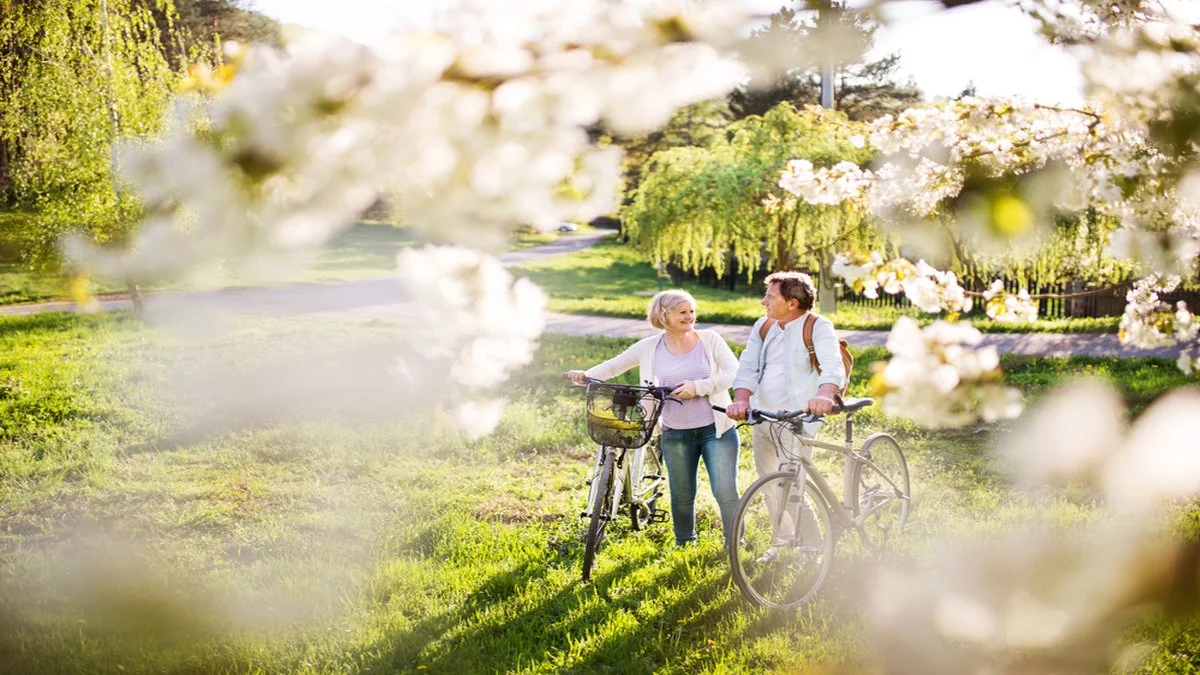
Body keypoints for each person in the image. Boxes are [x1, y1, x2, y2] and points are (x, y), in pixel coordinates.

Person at [566, 289, 740, 546]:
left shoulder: (710, 340)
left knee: (725, 491)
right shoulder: (650, 347)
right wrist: (587, 375)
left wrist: (698, 387)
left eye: (692, 311)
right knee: (682, 494)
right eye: (683, 312)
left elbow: (733, 373)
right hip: (675, 431)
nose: (690, 316)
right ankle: (685, 543)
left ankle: (735, 543)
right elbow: (616, 364)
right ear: (664, 315)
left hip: (716, 429)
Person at [725, 272, 847, 557]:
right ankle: (783, 541)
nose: (763, 301)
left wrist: (824, 395)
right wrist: (741, 399)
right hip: (763, 415)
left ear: (792, 303)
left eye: (770, 296)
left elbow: (832, 366)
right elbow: (748, 367)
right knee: (768, 481)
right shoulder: (764, 326)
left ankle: (812, 545)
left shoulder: (817, 326)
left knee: (790, 482)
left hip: (797, 417)